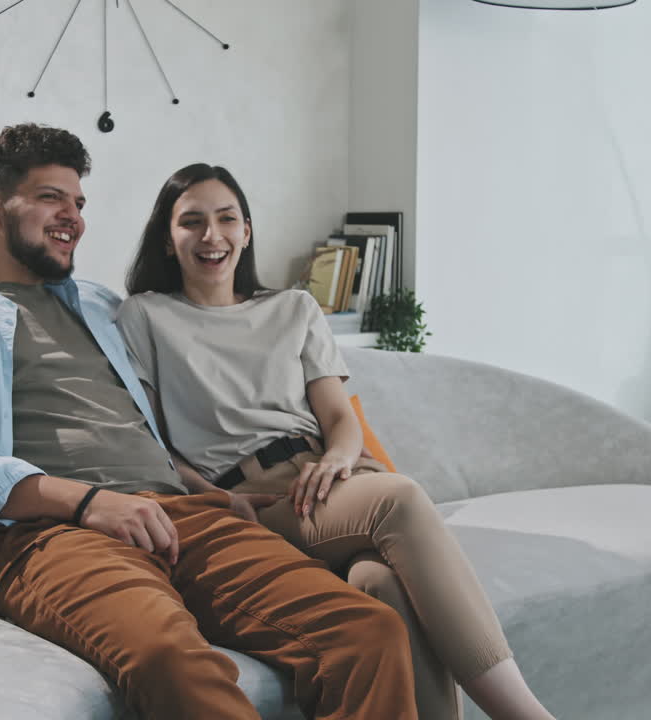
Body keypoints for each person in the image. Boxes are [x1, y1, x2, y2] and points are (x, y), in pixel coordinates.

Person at [0, 125, 419, 720]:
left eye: (79, 203)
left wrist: (212, 488)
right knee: (170, 658)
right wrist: (88, 503)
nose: (73, 217)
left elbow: (191, 396)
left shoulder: (110, 308)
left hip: (179, 515)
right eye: (52, 197)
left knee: (366, 634)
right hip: (45, 535)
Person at [116, 163, 559, 720]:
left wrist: (339, 459)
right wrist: (212, 495)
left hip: (332, 477)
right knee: (399, 500)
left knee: (381, 585)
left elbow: (337, 417)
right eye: (192, 221)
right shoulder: (145, 315)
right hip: (257, 500)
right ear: (167, 236)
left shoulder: (294, 308)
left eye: (227, 219)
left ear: (247, 232)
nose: (212, 236)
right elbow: (149, 439)